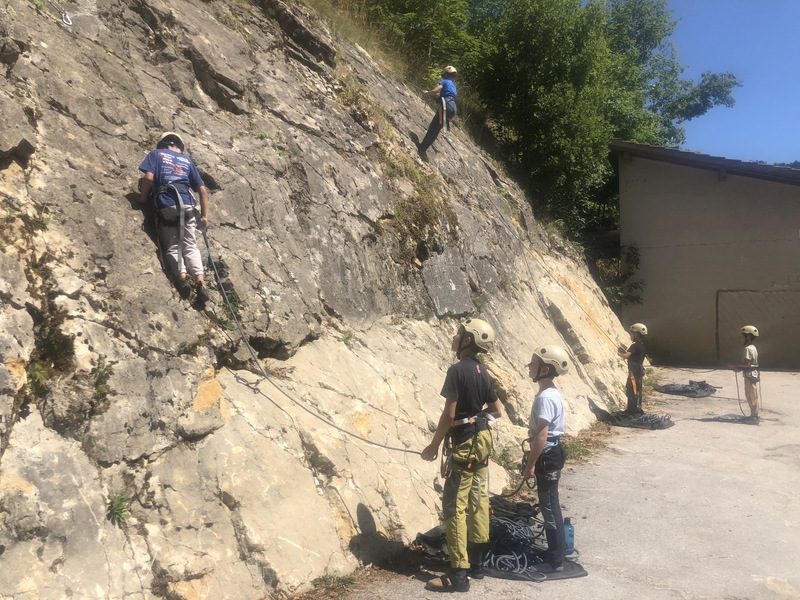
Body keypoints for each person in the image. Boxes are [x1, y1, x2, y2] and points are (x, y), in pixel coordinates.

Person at [421, 318, 502, 593]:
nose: (454, 337)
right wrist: (476, 418)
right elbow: (497, 411)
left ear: (467, 340)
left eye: (458, 334)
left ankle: (458, 574)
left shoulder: (456, 370)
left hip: (466, 442)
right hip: (483, 440)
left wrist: (434, 445)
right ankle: (477, 564)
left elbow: (450, 414)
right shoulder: (483, 371)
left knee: (454, 506)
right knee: (478, 500)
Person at [138, 132, 210, 303]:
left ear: (162, 144)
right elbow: (202, 190)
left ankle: (182, 276)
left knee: (172, 245)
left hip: (166, 204)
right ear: (180, 148)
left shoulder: (156, 154)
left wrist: (142, 198)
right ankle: (200, 281)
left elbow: (148, 177)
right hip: (187, 205)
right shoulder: (187, 160)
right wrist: (204, 216)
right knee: (190, 245)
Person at [521, 345, 571, 573]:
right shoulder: (550, 393)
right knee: (549, 504)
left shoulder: (545, 398)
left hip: (547, 456)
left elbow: (542, 436)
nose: (529, 366)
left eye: (533, 363)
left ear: (544, 369)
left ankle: (556, 560)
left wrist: (530, 465)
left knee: (549, 506)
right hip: (550, 453)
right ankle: (556, 552)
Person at [414, 65, 458, 158]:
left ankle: (422, 147)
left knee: (433, 126)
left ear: (445, 74)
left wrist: (427, 93)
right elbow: (445, 97)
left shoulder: (445, 82)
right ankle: (424, 148)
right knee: (437, 129)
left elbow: (435, 91)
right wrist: (434, 98)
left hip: (446, 106)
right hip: (452, 108)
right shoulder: (453, 86)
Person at [730, 325, 760, 420]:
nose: (741, 339)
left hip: (749, 375)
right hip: (753, 373)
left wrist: (735, 365)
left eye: (742, 337)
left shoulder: (747, 349)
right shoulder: (753, 347)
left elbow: (746, 364)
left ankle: (754, 416)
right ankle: (754, 414)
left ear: (748, 337)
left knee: (750, 395)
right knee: (753, 394)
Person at [617, 323, 647, 414]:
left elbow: (626, 356)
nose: (630, 335)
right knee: (635, 389)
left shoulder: (634, 345)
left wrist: (620, 353)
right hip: (638, 370)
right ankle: (634, 409)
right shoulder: (642, 345)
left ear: (636, 335)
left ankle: (631, 411)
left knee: (631, 389)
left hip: (633, 371)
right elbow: (635, 357)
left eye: (632, 334)